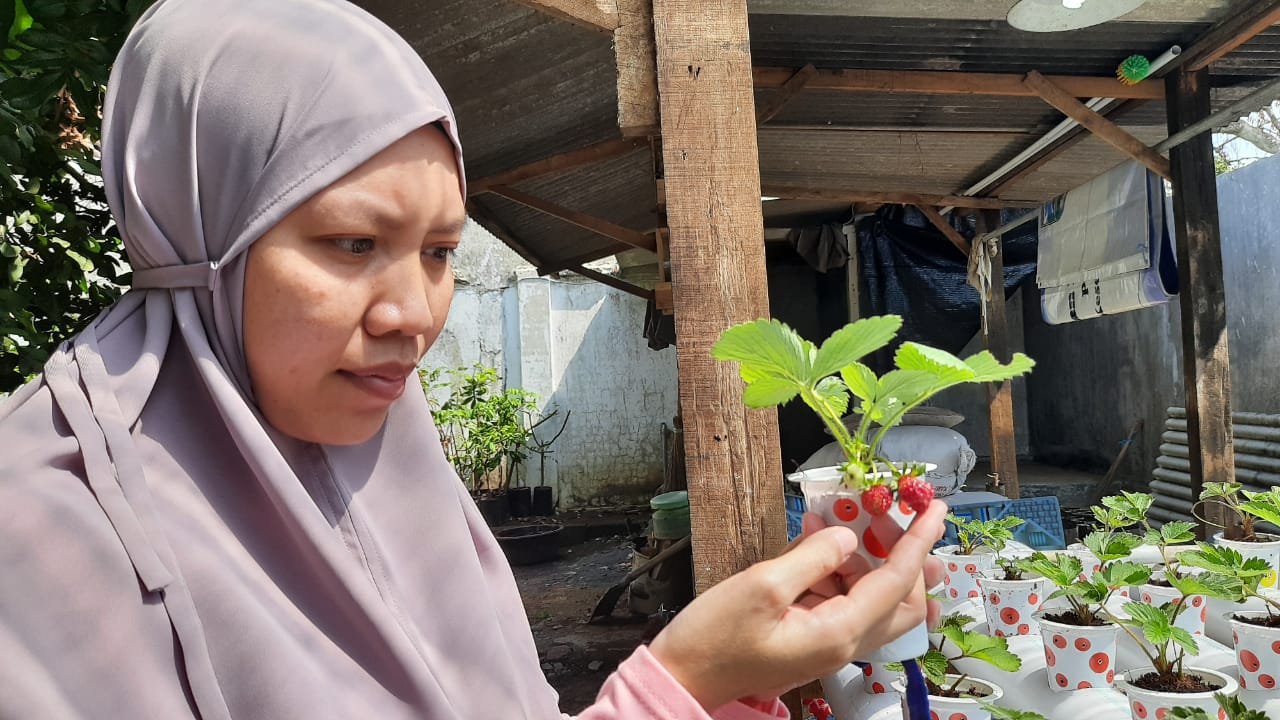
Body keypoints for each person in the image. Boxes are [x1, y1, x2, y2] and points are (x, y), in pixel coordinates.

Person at [0, 0, 945, 717]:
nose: (415, 313)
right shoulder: (46, 531)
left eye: (441, 253)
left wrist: (734, 674)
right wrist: (676, 683)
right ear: (196, 225)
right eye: (351, 244)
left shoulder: (388, 462)